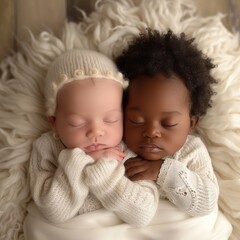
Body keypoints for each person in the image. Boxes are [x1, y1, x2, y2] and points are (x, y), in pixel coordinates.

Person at [28, 49, 159, 228]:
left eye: (111, 119)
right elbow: (53, 211)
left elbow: (144, 212)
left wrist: (103, 173)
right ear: (54, 122)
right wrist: (80, 162)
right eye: (77, 122)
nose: (96, 132)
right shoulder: (47, 148)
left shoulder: (127, 148)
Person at [116, 29, 219, 216]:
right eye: (136, 120)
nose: (151, 132)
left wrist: (164, 171)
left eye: (169, 123)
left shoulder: (191, 151)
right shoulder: (117, 147)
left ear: (191, 123)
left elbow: (208, 203)